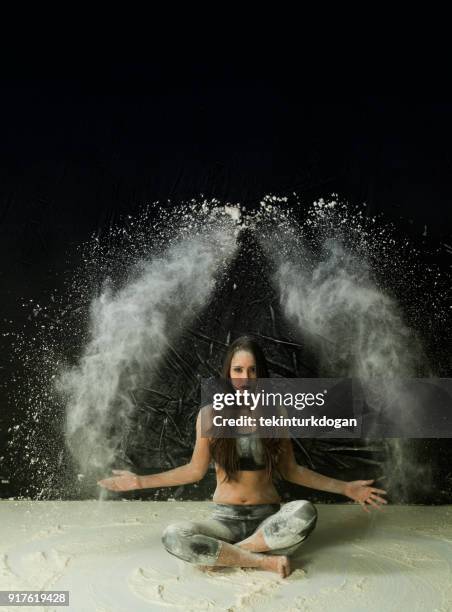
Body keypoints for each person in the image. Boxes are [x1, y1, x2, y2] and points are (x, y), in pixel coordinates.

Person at [98, 335, 388, 578]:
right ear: (229, 374)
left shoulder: (276, 413)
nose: (245, 378)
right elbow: (193, 471)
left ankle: (231, 555)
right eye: (238, 370)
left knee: (305, 512)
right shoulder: (210, 415)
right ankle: (263, 561)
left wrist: (347, 488)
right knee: (173, 535)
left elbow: (292, 471)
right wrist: (138, 482)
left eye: (252, 371)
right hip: (223, 522)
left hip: (268, 522)